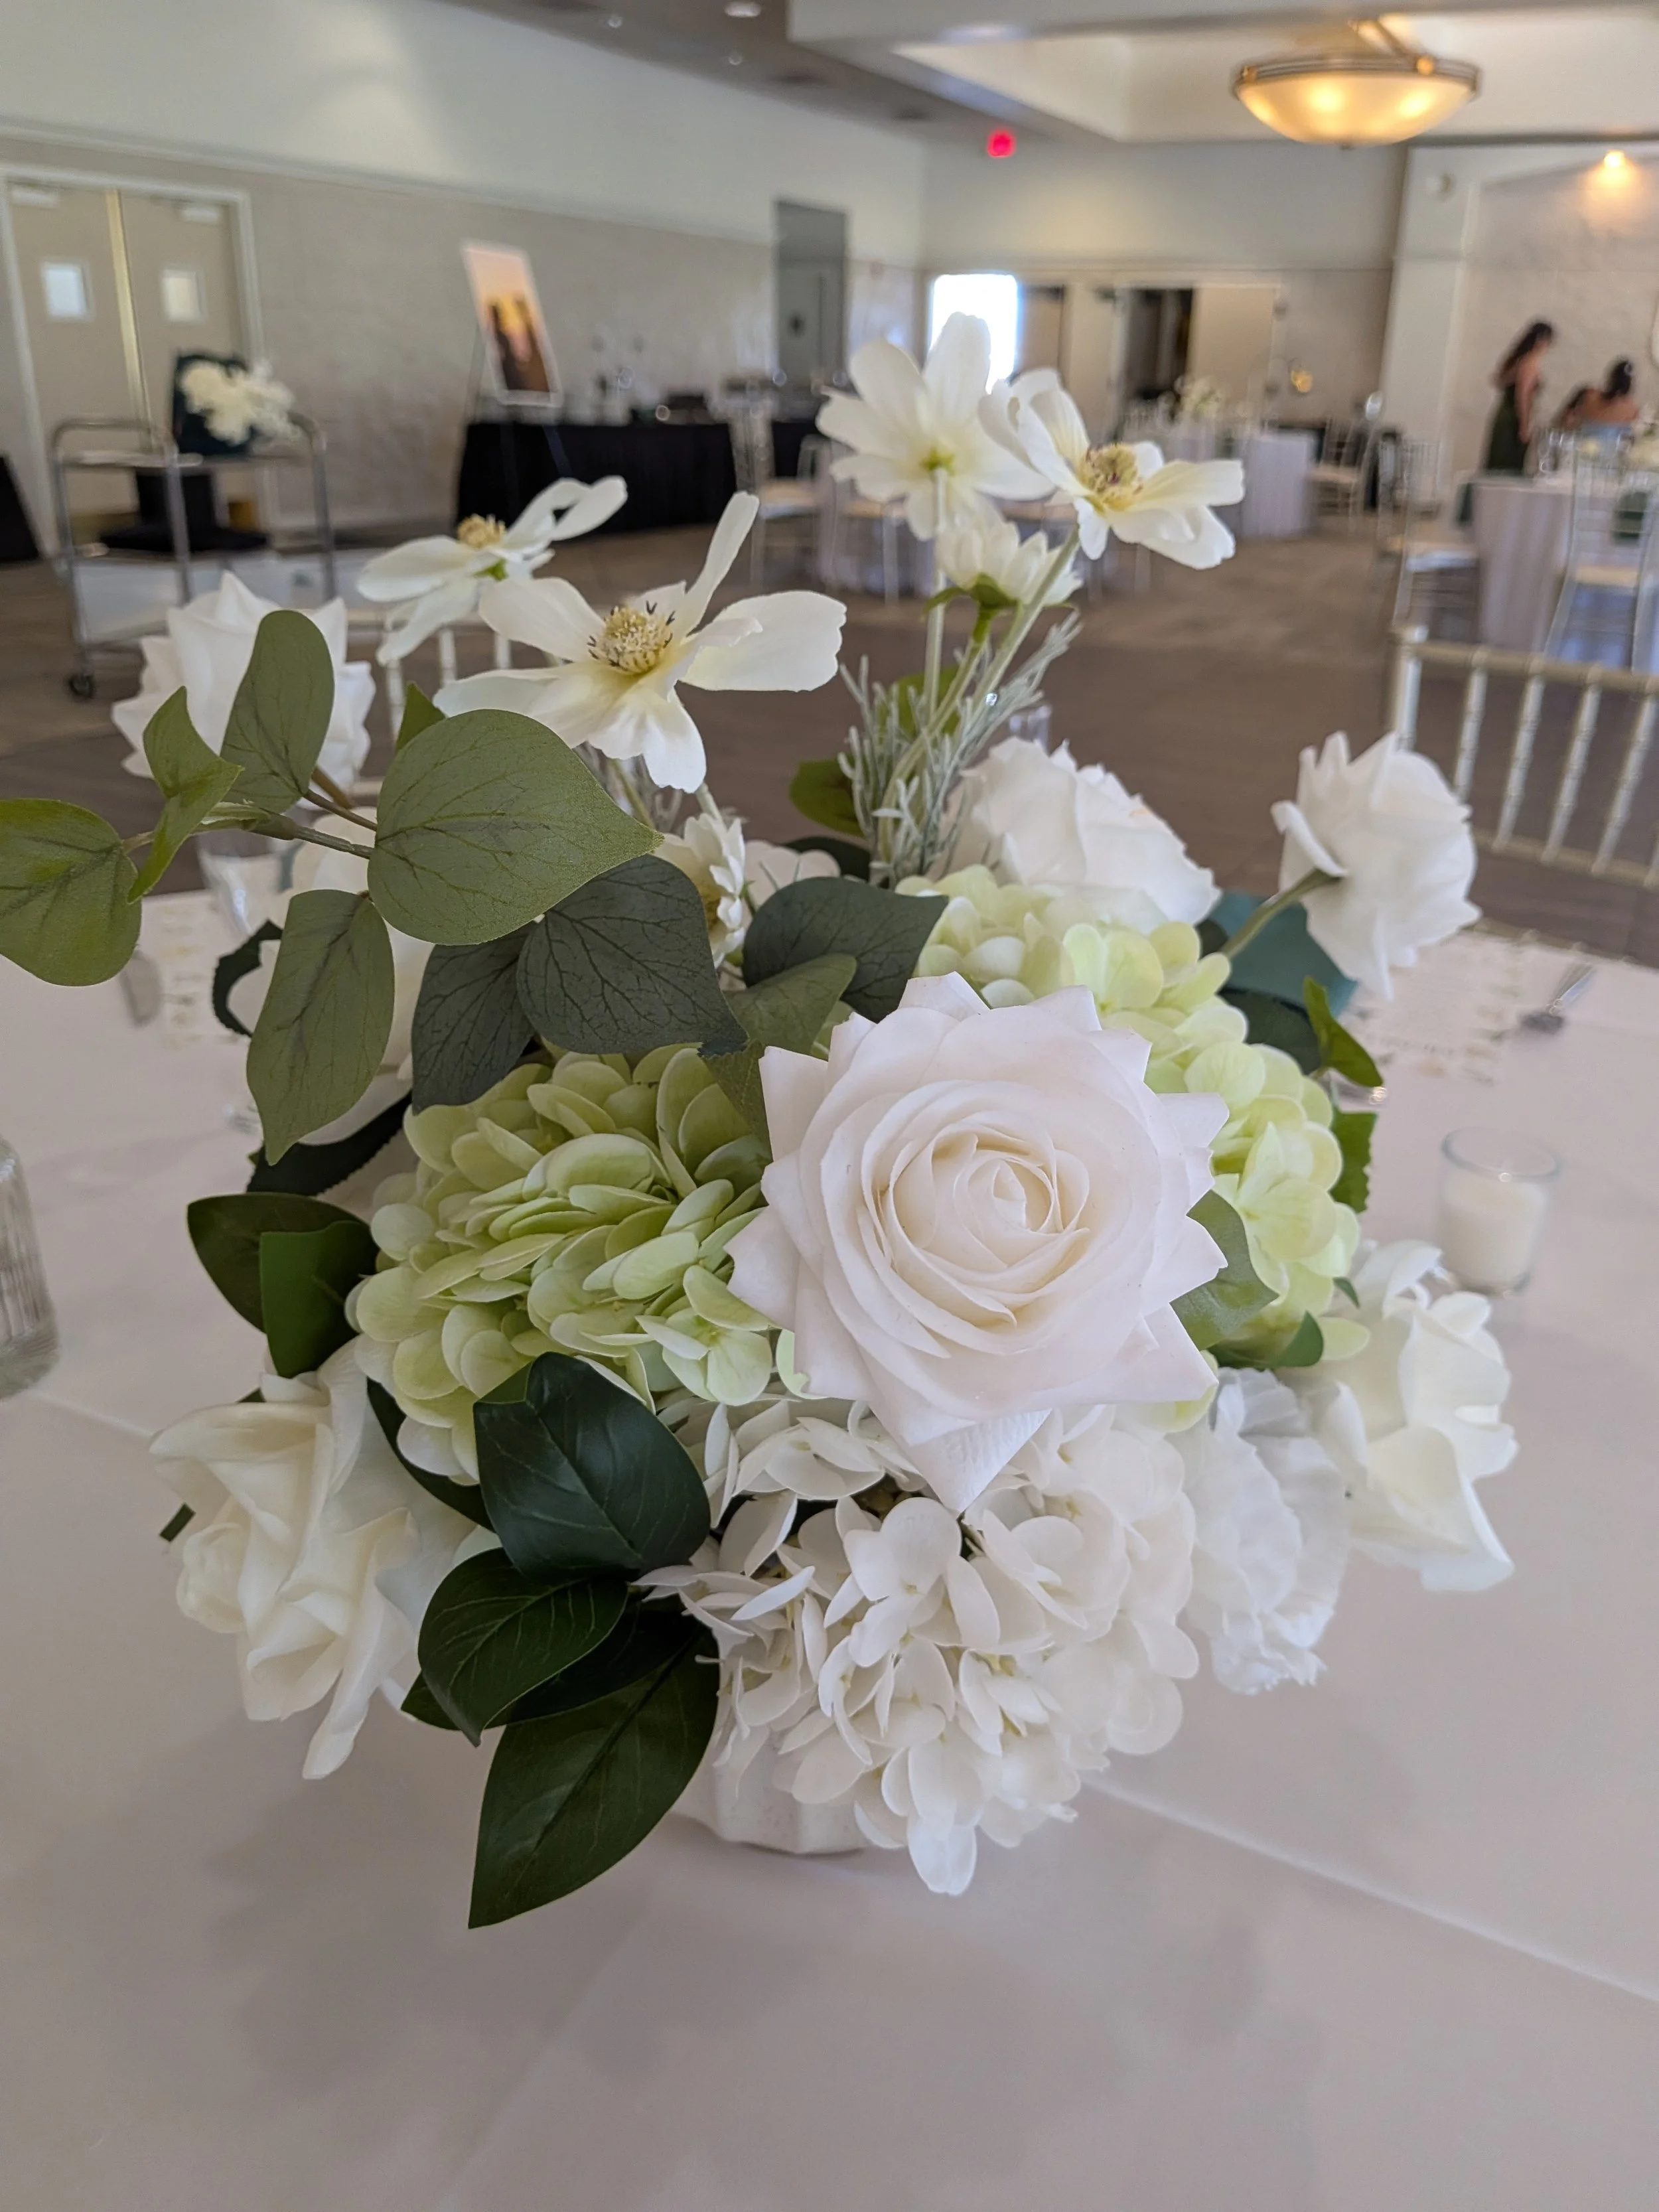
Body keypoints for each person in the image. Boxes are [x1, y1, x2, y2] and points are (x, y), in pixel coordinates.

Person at [1483, 320, 1554, 473]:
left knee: (1497, 463)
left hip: (1504, 414)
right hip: (1513, 419)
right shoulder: (1530, 362)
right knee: (1508, 465)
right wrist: (1524, 425)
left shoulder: (1517, 360)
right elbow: (1522, 396)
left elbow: (1497, 380)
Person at [1573, 358, 1640, 429]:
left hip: (1583, 438)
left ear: (1610, 377)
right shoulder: (1631, 408)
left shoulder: (1589, 395)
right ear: (1630, 383)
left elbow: (1570, 420)